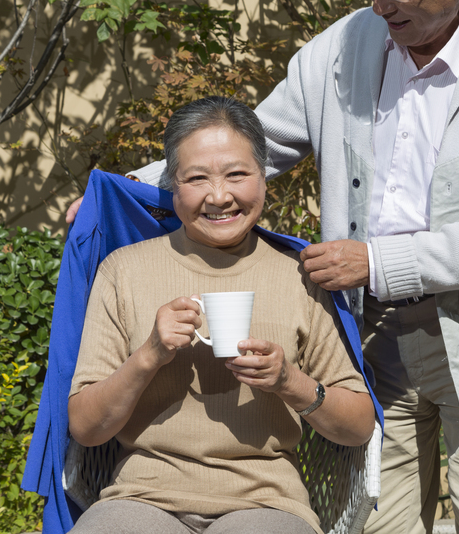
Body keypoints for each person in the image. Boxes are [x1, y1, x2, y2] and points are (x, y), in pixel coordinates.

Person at [79, 0, 459, 534]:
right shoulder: (347, 44)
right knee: (381, 524)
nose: (379, 4)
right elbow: (252, 147)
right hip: (373, 335)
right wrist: (123, 191)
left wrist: (376, 262)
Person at [66, 95, 376, 534]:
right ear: (173, 184)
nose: (219, 196)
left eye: (237, 174)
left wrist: (290, 381)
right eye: (196, 178)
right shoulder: (124, 270)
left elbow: (359, 426)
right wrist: (149, 354)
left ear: (264, 179)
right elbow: (85, 428)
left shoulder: (300, 275)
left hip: (267, 504)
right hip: (141, 499)